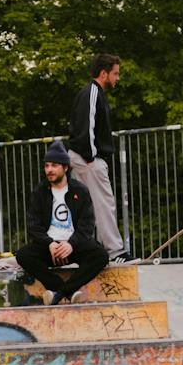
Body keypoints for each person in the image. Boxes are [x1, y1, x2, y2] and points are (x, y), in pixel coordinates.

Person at [14, 142, 110, 304]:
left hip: (74, 245)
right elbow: (33, 225)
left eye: (54, 165)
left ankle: (59, 293)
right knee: (24, 255)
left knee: (100, 256)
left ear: (65, 168)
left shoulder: (80, 190)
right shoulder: (40, 191)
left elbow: (87, 224)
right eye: (46, 166)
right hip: (49, 247)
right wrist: (49, 244)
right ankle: (65, 290)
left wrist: (71, 244)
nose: (49, 170)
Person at [67, 53, 128, 262]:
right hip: (88, 158)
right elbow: (87, 124)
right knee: (104, 203)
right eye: (115, 74)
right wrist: (90, 156)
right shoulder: (92, 92)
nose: (117, 78)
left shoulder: (92, 93)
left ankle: (82, 252)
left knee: (85, 208)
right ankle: (115, 251)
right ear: (104, 73)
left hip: (82, 157)